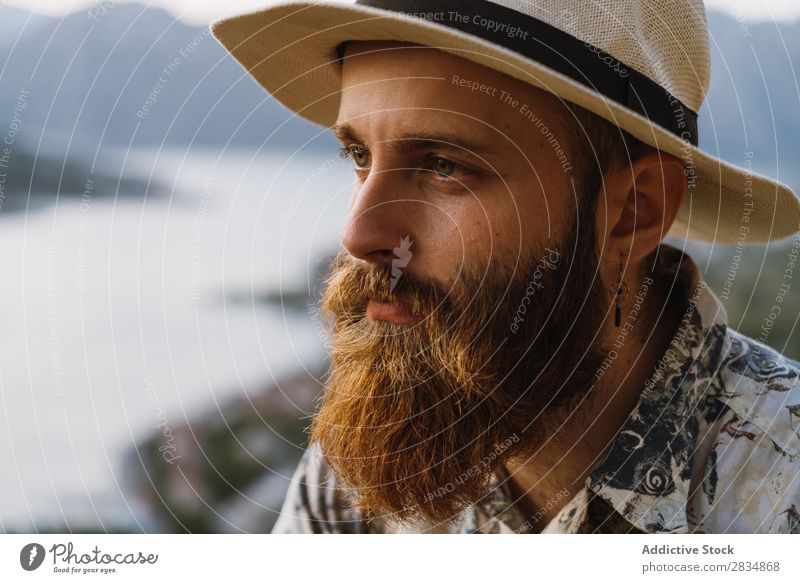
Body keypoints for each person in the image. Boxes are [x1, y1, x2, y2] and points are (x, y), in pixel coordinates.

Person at [211, 0, 800, 533]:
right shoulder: (367, 466)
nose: (358, 234)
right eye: (360, 156)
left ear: (632, 212)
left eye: (443, 165)